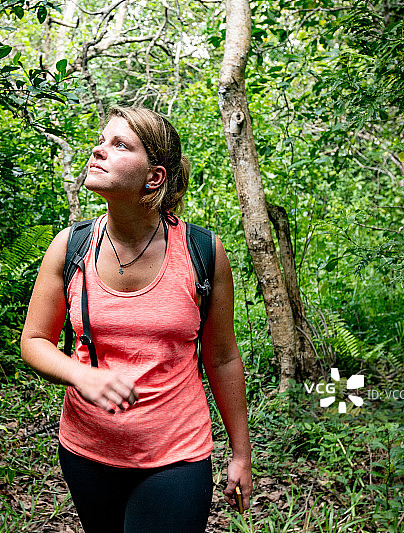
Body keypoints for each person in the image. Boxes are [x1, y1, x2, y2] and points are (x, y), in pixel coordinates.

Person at [20, 106, 253, 533]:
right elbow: (34, 340)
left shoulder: (202, 252)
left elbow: (221, 358)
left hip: (176, 454)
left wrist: (241, 454)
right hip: (86, 451)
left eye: (119, 145)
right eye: (101, 140)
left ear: (154, 177)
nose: (98, 150)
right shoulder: (69, 247)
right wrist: (81, 375)